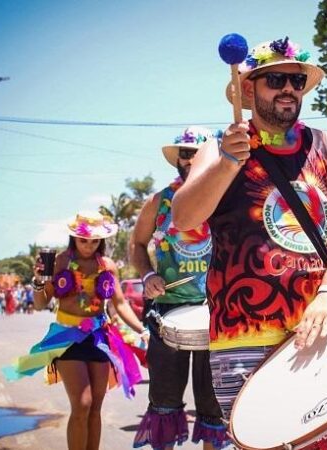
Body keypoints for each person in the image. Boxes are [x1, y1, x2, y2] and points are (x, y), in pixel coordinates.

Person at [171, 36, 327, 419]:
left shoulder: (326, 146)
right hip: (243, 335)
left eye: (296, 82)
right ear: (249, 87)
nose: (289, 90)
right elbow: (183, 219)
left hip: (322, 326)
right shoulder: (217, 147)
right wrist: (228, 162)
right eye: (276, 80)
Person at [4, 212, 147, 450]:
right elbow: (40, 303)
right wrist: (39, 281)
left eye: (94, 241)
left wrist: (142, 330)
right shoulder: (59, 262)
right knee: (82, 404)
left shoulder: (107, 266)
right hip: (66, 338)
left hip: (99, 338)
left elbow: (119, 303)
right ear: (74, 238)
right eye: (84, 241)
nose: (89, 246)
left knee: (96, 407)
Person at [130, 127, 226, 450]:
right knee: (164, 405)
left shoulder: (227, 196)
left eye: (196, 153)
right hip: (168, 311)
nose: (189, 159)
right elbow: (137, 244)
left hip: (217, 312)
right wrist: (146, 277)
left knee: (214, 407)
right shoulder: (160, 202)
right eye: (184, 153)